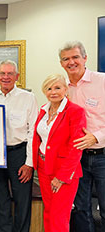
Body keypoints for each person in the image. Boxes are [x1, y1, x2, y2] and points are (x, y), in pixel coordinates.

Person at [0, 60, 38, 232]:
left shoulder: (28, 98)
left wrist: (29, 163)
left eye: (10, 74)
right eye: (2, 74)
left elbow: (33, 132)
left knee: (22, 199)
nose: (6, 77)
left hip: (19, 153)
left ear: (17, 77)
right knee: (1, 199)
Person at [59, 41, 105, 232]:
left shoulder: (102, 81)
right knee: (81, 210)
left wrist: (96, 137)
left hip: (102, 155)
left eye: (75, 57)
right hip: (76, 159)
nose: (71, 62)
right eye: (66, 59)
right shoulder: (61, 89)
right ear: (61, 63)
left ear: (85, 58)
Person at [32, 74, 86, 232]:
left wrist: (62, 177)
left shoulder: (75, 111)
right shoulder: (43, 110)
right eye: (49, 88)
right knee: (48, 212)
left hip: (63, 172)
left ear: (65, 89)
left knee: (59, 216)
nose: (53, 92)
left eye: (57, 88)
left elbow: (76, 147)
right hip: (43, 168)